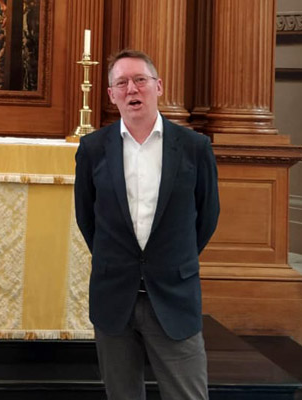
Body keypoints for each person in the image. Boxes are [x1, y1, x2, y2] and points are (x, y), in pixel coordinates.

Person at [74, 49, 220, 400]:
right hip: (114, 297)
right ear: (110, 94)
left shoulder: (194, 147)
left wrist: (168, 260)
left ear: (158, 86)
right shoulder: (93, 148)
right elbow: (87, 218)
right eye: (121, 83)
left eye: (140, 80)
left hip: (173, 294)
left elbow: (207, 215)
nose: (131, 89)